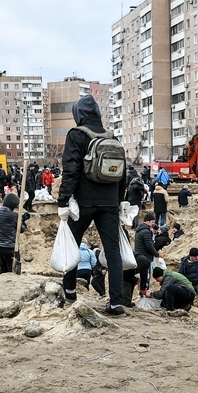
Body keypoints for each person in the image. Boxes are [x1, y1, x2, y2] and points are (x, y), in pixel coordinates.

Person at [56, 94, 128, 315]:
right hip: (109, 203)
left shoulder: (77, 135)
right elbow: (122, 173)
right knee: (113, 250)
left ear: (78, 114)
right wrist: (119, 202)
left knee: (73, 242)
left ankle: (69, 290)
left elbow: (71, 170)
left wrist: (63, 199)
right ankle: (117, 302)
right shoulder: (112, 137)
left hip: (83, 202)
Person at [133, 212, 160, 297]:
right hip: (145, 258)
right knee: (145, 277)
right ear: (147, 221)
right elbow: (149, 246)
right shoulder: (146, 232)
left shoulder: (139, 230)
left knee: (141, 277)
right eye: (152, 222)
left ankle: (141, 293)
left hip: (138, 257)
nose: (153, 224)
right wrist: (157, 254)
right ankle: (143, 294)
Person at [0, 192, 19, 273]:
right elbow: (21, 229)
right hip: (10, 247)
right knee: (12, 271)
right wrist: (23, 221)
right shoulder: (13, 215)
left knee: (3, 269)